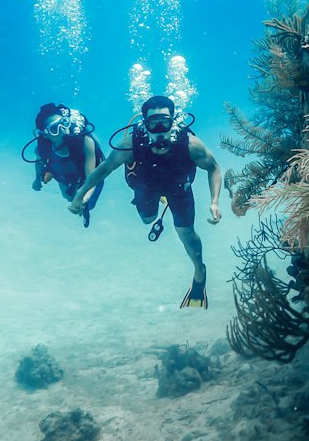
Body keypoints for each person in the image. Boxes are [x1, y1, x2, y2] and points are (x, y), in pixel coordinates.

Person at [70, 95, 222, 308]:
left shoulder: (191, 145)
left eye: (165, 122)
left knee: (186, 234)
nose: (160, 129)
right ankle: (157, 199)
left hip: (178, 190)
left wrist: (215, 201)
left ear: (173, 122)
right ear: (144, 124)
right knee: (147, 219)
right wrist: (80, 195)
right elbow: (103, 169)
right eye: (153, 123)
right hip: (146, 189)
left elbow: (213, 167)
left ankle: (199, 272)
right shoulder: (131, 145)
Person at [29, 103, 105, 228]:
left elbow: (92, 177)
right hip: (64, 174)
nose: (63, 130)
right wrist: (37, 180)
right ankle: (50, 171)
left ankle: (52, 171)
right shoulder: (42, 149)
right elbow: (39, 162)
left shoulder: (85, 141)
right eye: (55, 128)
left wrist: (83, 199)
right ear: (45, 134)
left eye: (63, 123)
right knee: (68, 198)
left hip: (88, 176)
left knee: (89, 205)